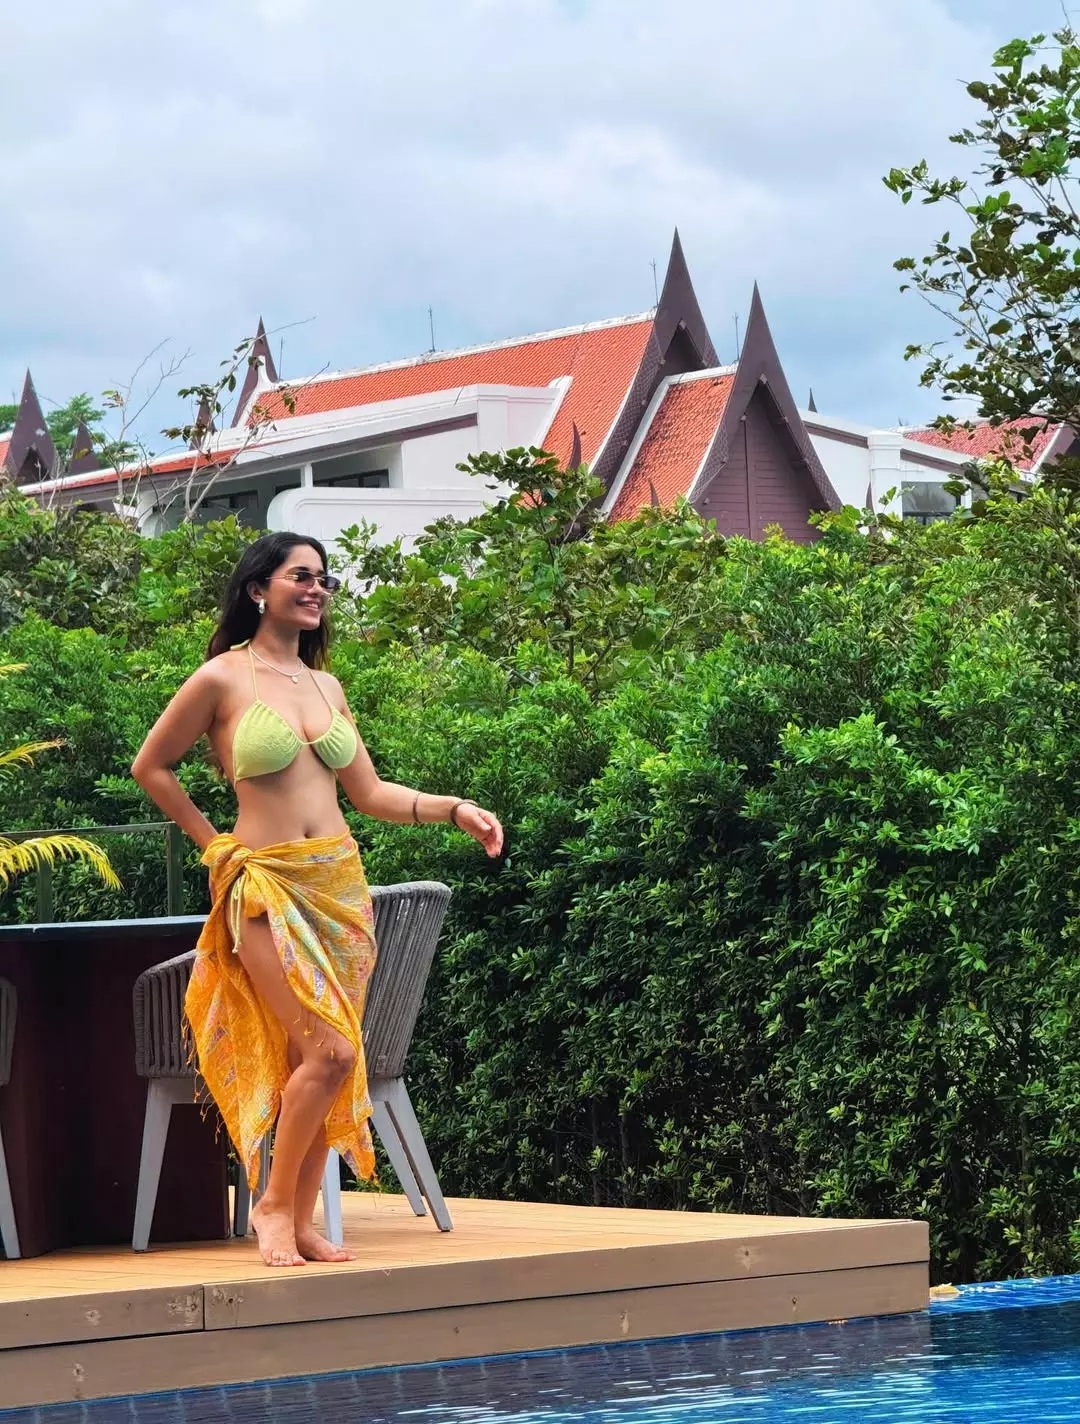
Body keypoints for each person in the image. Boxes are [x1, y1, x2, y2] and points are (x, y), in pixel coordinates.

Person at [131, 531, 503, 1267]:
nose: (316, 589)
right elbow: (152, 766)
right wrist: (213, 845)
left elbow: (369, 793)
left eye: (323, 579)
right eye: (300, 575)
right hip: (264, 886)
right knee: (330, 1049)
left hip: (339, 888)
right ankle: (271, 1205)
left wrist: (454, 808)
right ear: (258, 589)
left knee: (324, 1059)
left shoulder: (326, 688)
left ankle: (299, 1219)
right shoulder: (221, 678)